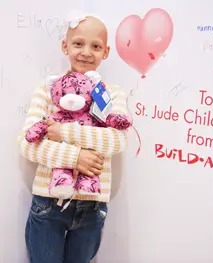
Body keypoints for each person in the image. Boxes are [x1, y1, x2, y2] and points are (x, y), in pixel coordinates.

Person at [18, 15, 129, 263]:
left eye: (96, 46)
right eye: (78, 44)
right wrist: (76, 157)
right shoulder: (48, 90)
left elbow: (117, 140)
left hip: (93, 204)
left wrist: (64, 132)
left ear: (106, 51)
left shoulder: (111, 94)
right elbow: (27, 143)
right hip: (48, 202)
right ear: (65, 46)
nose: (86, 52)